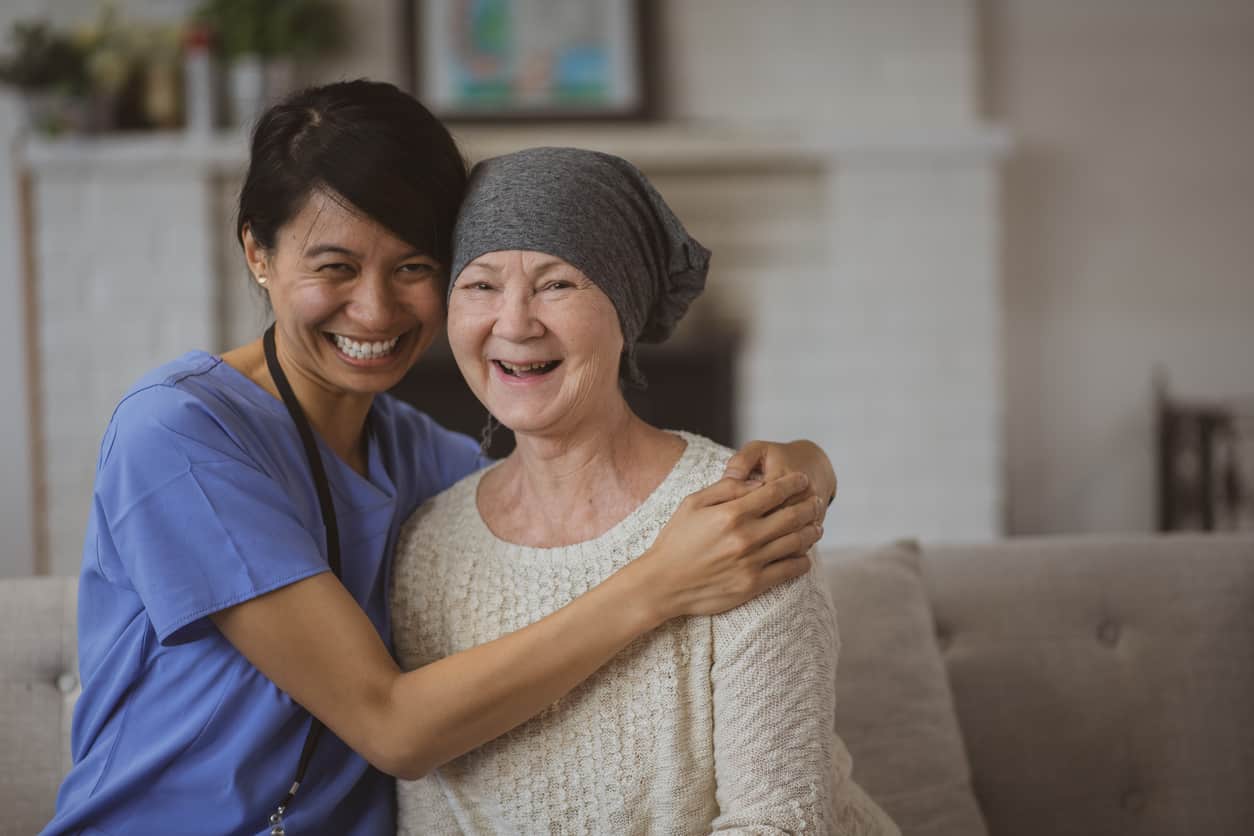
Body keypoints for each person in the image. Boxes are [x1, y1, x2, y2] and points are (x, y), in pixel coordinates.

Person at [42, 81, 839, 836]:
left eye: (414, 267)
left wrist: (803, 467)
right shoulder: (179, 433)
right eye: (335, 267)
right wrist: (662, 583)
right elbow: (392, 727)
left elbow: (565, 503)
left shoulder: (418, 457)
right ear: (258, 252)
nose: (377, 309)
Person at [391, 147, 898, 835]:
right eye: (480, 285)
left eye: (558, 284)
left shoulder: (738, 516)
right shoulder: (427, 547)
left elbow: (777, 824)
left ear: (625, 310)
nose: (513, 323)